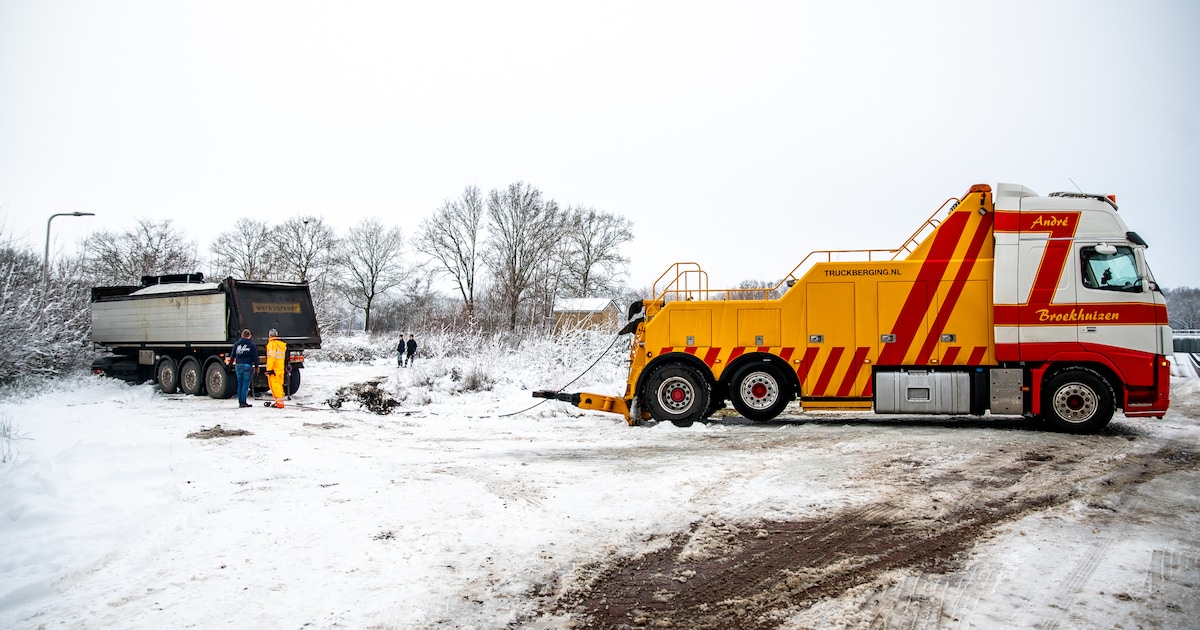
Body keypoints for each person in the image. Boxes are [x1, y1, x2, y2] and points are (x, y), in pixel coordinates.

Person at [231, 328, 258, 408]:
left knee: (240, 384)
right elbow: (255, 357)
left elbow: (233, 355)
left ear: (242, 335)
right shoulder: (251, 345)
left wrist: (230, 364)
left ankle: (240, 401)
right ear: (250, 336)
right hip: (247, 366)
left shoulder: (237, 344)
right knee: (245, 385)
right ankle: (243, 402)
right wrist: (256, 366)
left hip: (238, 365)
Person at [265, 328, 287, 408]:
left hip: (274, 369)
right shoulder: (281, 344)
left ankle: (279, 403)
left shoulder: (272, 344)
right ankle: (279, 401)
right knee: (279, 385)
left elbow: (271, 357)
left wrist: (269, 369)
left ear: (270, 335)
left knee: (274, 385)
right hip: (280, 368)